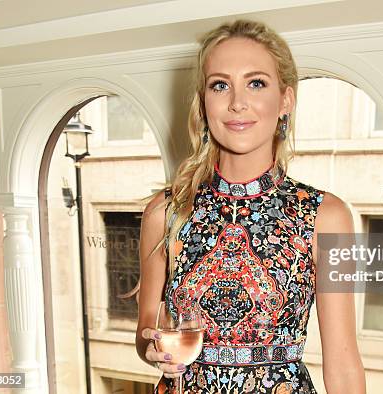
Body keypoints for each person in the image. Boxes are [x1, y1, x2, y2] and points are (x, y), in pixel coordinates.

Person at [134, 19, 366, 393]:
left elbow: (342, 363)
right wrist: (153, 349)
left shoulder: (326, 216)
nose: (237, 102)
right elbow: (147, 328)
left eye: (256, 83)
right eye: (220, 85)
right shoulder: (165, 212)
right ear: (204, 101)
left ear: (285, 100)